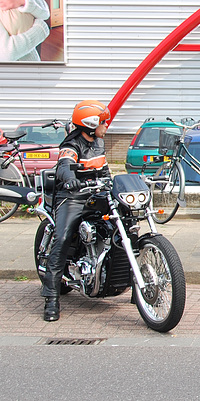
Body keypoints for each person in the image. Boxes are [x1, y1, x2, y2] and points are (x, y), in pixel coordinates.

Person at [42, 100, 111, 322]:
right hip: (72, 196)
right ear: (91, 125)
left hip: (95, 195)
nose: (106, 126)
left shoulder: (99, 144)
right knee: (62, 238)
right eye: (103, 122)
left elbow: (105, 171)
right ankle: (51, 299)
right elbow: (64, 166)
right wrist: (70, 179)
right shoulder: (71, 146)